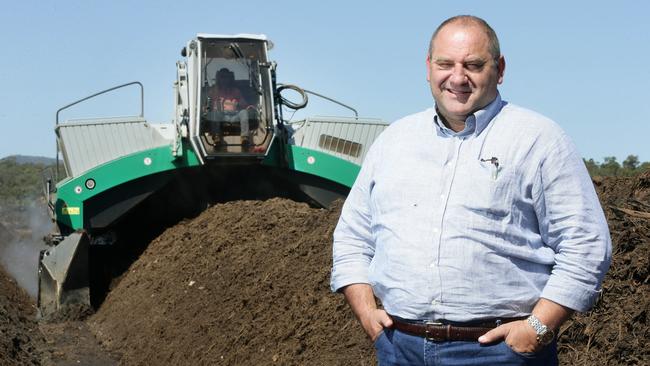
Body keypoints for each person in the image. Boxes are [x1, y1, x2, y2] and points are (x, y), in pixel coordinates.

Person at [330, 15, 611, 365]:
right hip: (400, 348)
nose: (458, 77)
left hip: (497, 353)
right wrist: (367, 314)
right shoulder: (394, 141)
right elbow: (352, 237)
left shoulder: (538, 140)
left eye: (473, 65)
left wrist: (537, 329)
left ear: (500, 68)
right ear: (429, 66)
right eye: (445, 64)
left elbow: (585, 244)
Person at [208, 68, 253, 149]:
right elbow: (208, 106)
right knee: (214, 113)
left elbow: (244, 105)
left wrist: (249, 107)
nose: (224, 80)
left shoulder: (236, 91)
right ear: (219, 79)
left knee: (244, 112)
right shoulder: (213, 91)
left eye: (226, 77)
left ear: (230, 79)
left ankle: (244, 138)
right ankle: (217, 137)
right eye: (222, 77)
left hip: (235, 115)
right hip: (221, 116)